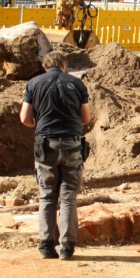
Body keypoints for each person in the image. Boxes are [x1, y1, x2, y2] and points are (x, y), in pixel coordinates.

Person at [19, 52, 91, 260]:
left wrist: (37, 124)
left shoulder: (33, 84)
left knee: (47, 195)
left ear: (45, 67)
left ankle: (46, 246)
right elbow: (85, 118)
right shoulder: (77, 84)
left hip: (46, 145)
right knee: (68, 196)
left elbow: (25, 117)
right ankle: (67, 248)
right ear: (64, 66)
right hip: (72, 144)